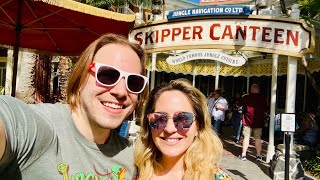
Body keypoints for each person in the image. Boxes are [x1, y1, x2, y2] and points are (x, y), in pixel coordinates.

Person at [0, 33, 148, 179]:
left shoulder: (130, 157)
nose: (121, 91)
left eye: (134, 82)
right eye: (107, 75)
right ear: (80, 78)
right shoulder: (41, 128)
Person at [134, 79, 231, 180]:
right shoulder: (130, 172)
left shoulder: (216, 177)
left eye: (183, 118)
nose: (169, 128)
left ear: (198, 126)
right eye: (159, 119)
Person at [239, 84, 267, 161]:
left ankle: (243, 155)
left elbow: (240, 105)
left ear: (251, 89)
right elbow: (266, 108)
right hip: (258, 121)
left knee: (246, 137)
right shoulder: (262, 98)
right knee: (258, 138)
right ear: (258, 90)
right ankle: (258, 155)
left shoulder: (246, 97)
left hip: (247, 121)